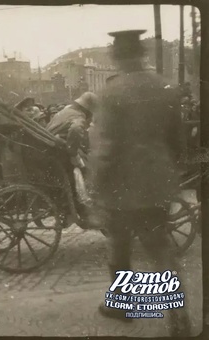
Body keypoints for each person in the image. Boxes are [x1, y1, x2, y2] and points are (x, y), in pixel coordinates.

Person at [87, 30, 190, 336]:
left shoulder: (112, 92)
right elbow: (178, 141)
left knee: (118, 243)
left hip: (122, 183)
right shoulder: (164, 87)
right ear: (142, 52)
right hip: (157, 181)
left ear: (118, 55)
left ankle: (122, 303)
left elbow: (105, 147)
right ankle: (179, 318)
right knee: (161, 249)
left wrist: (96, 186)